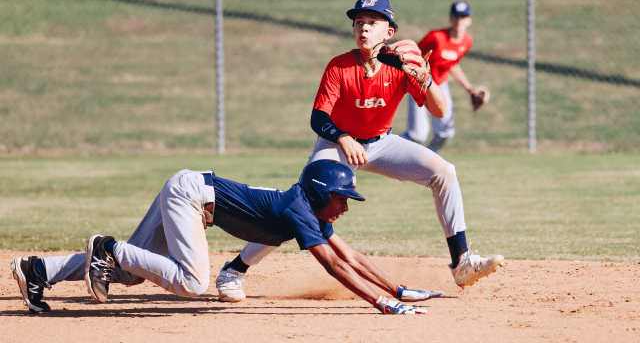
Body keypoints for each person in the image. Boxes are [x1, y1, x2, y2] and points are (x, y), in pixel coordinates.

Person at [214, 0, 504, 303]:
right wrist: (342, 137)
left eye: (373, 22)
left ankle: (461, 263)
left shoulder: (400, 66)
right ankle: (234, 270)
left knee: (444, 171)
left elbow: (440, 111)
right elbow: (318, 117)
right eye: (359, 22)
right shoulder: (340, 66)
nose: (364, 28)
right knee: (301, 206)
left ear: (388, 33)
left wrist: (425, 78)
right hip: (337, 143)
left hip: (382, 143)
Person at [10, 160, 442, 315]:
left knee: (127, 276)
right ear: (321, 194)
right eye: (342, 197)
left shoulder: (307, 211)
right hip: (191, 197)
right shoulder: (299, 209)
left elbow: (350, 257)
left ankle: (36, 271)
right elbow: (331, 265)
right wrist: (381, 304)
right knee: (192, 283)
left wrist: (397, 290)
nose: (346, 205)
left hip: (188, 190)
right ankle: (109, 247)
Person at [399, 0, 478, 152]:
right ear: (450, 19)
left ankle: (426, 160)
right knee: (418, 134)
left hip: (440, 86)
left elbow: (451, 65)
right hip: (419, 85)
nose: (459, 21)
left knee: (446, 132)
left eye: (463, 17)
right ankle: (379, 146)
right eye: (456, 16)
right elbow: (412, 54)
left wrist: (469, 88)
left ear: (469, 20)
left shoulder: (467, 41)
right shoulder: (436, 37)